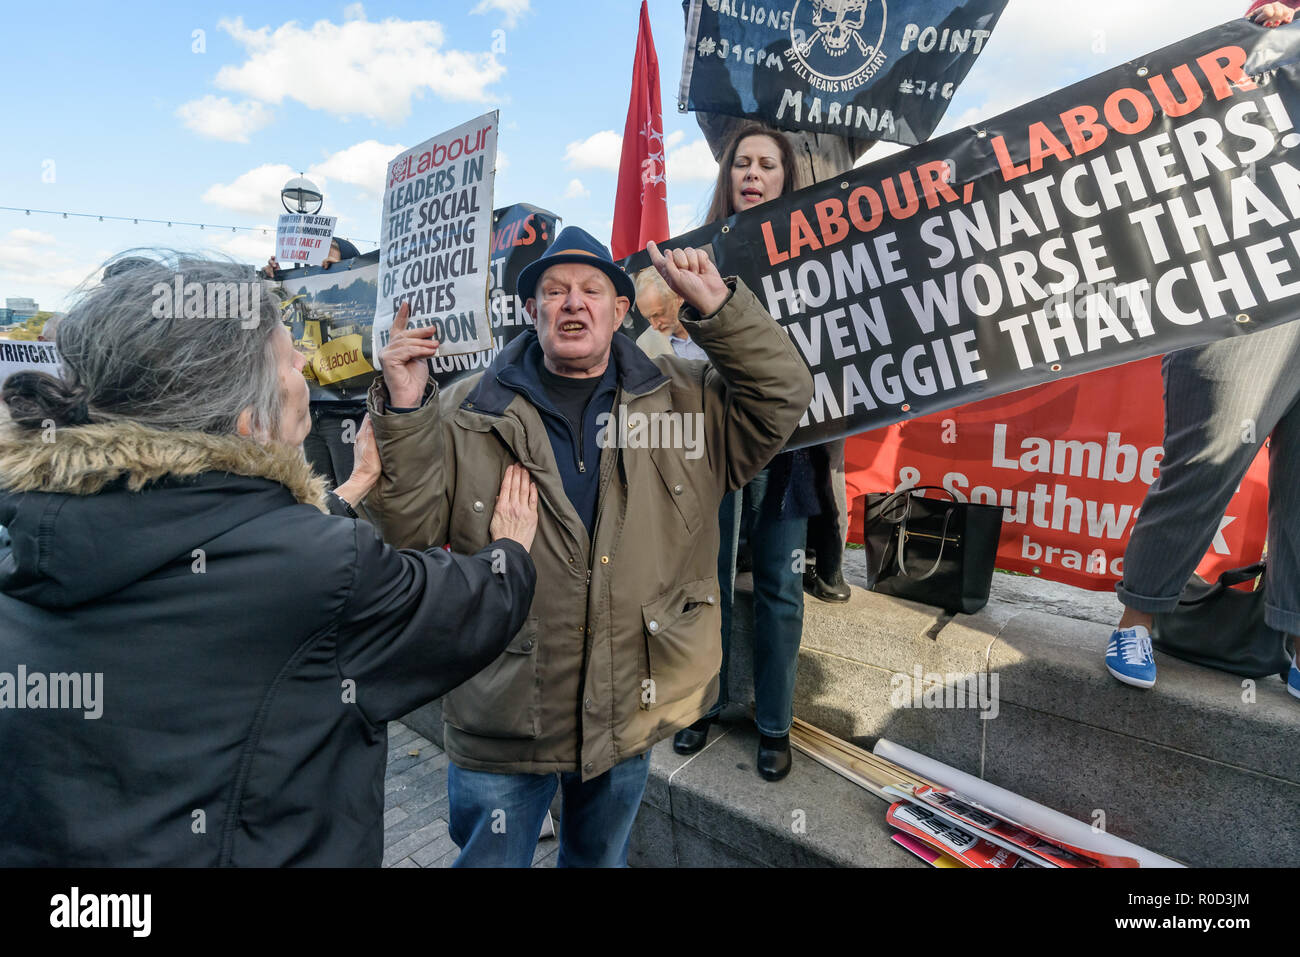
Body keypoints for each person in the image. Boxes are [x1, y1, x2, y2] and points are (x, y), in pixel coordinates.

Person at [0, 251, 539, 866]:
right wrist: (510, 552)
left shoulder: (26, 531)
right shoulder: (322, 570)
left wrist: (355, 485)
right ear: (248, 418)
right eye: (288, 359)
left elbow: (238, 537)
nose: (306, 363)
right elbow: (459, 607)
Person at [363, 225, 813, 866]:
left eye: (591, 290)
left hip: (627, 705)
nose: (573, 302)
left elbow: (784, 395)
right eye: (554, 290)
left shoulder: (684, 401)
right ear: (530, 311)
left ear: (621, 310)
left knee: (598, 862)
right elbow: (407, 540)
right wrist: (406, 414)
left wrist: (719, 310)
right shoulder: (463, 411)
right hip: (502, 709)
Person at [1105, 0, 1299, 698]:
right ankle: (1138, 617)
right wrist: (1263, 39)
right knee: (1208, 458)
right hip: (1243, 290)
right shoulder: (1266, 43)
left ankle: (1295, 642)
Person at [670, 123, 829, 780]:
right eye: (743, 162)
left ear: (786, 178)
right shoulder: (693, 254)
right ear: (726, 175)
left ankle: (774, 723)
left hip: (789, 451)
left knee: (780, 585)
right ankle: (698, 705)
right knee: (703, 583)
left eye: (768, 163)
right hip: (714, 445)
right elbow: (672, 352)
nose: (754, 173)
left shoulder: (819, 253)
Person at [632, 266, 705, 360]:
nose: (654, 326)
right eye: (648, 318)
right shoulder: (644, 346)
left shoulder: (714, 319)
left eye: (657, 314)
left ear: (679, 297)